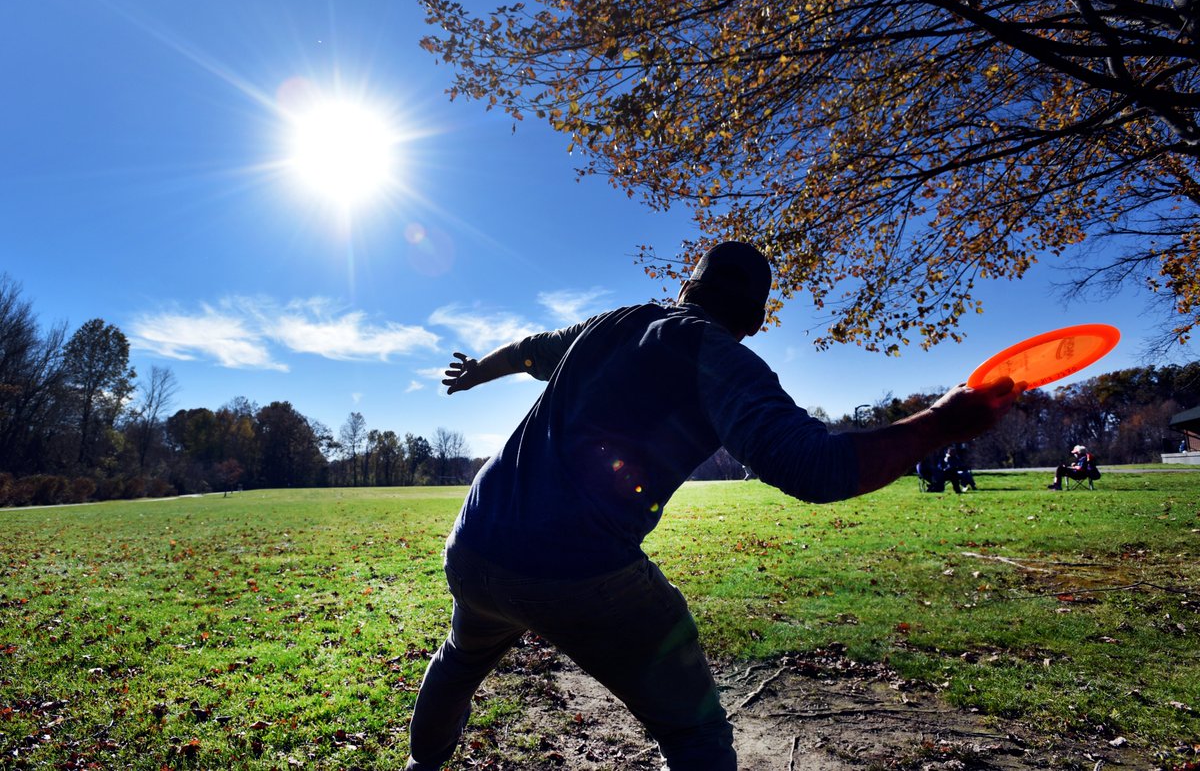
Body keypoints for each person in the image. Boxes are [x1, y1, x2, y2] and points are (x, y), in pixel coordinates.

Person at [405, 241, 1021, 770]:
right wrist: (945, 421)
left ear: (685, 286)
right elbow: (817, 468)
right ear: (755, 319)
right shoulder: (722, 358)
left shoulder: (613, 323)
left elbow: (529, 351)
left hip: (476, 541)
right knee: (694, 727)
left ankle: (420, 765)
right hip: (578, 568)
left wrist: (472, 376)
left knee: (460, 658)